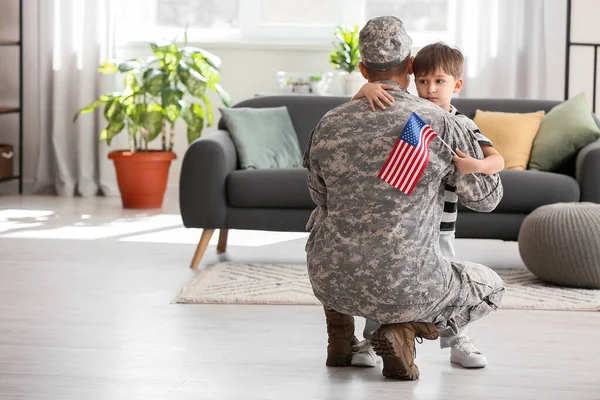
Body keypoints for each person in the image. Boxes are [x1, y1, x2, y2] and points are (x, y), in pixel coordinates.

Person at [303, 16, 506, 380]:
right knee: (492, 286)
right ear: (411, 66)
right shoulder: (439, 122)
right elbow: (487, 199)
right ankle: (406, 329)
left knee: (327, 229)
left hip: (331, 280)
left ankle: (340, 338)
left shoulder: (329, 122)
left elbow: (320, 197)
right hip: (405, 283)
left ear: (363, 68)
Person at [350, 42, 505, 368]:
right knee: (386, 277)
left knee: (446, 282)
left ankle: (456, 340)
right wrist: (365, 88)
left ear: (456, 85)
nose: (430, 89)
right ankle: (371, 338)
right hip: (399, 223)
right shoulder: (403, 111)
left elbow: (497, 160)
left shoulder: (460, 123)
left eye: (439, 82)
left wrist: (473, 166)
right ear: (412, 79)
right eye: (422, 81)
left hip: (440, 225)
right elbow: (354, 118)